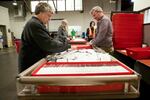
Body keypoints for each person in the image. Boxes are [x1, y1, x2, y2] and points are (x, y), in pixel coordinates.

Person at [18, 2, 70, 73]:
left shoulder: (36, 23)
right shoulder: (34, 24)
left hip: (33, 62)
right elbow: (49, 45)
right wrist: (66, 46)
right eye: (48, 16)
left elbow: (48, 40)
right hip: (30, 65)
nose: (50, 19)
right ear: (41, 12)